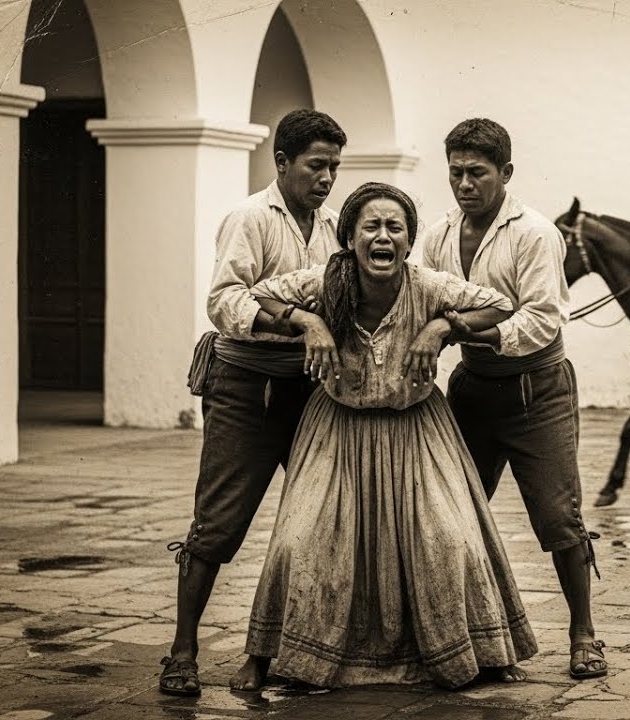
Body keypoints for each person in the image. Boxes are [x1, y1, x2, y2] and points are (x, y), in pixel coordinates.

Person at [229, 182, 536, 690]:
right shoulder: (325, 283)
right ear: (349, 236)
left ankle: (480, 652)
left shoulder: (428, 285)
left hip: (418, 431)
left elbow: (502, 306)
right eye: (371, 226)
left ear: (409, 241)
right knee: (298, 542)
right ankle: (265, 654)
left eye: (395, 227)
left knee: (450, 539)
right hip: (336, 433)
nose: (383, 236)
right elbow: (252, 296)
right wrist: (306, 321)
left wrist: (442, 328)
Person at [158, 109, 346, 697]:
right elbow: (224, 301)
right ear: (282, 162)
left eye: (335, 167)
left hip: (309, 390)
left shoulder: (335, 225)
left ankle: (289, 651)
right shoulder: (250, 217)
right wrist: (299, 318)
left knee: (315, 519)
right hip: (246, 387)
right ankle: (182, 651)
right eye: (317, 165)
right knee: (219, 521)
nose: (326, 178)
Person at [418, 118, 608, 680]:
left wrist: (459, 329)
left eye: (477, 173)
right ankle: (465, 635)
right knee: (452, 514)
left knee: (558, 518)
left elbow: (542, 319)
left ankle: (583, 633)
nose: (464, 185)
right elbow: (424, 295)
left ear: (506, 173)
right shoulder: (437, 234)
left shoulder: (535, 233)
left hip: (536, 392)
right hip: (471, 391)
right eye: (455, 173)